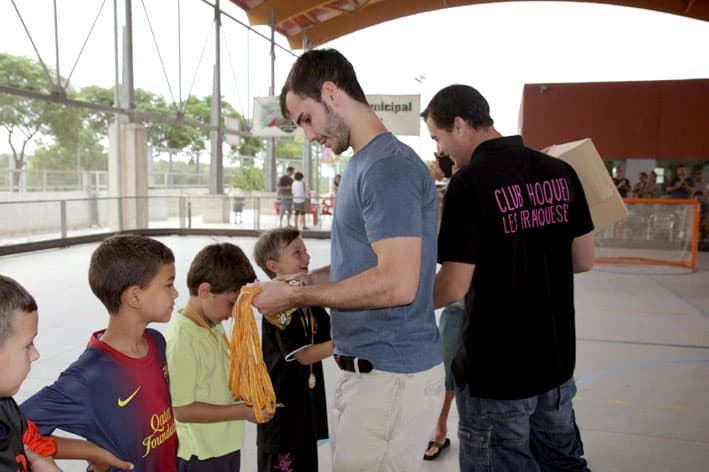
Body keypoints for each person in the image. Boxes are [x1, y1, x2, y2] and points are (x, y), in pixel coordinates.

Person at [250, 48, 444, 472]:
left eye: (305, 119)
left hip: (391, 379)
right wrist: (294, 285)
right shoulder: (363, 165)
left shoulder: (386, 168)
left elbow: (397, 283)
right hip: (370, 377)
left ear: (331, 93)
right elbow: (357, 269)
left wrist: (297, 299)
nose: (307, 135)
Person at [421, 84, 594, 471]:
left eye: (439, 137)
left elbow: (452, 286)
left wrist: (397, 302)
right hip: (554, 367)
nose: (441, 151)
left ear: (460, 125)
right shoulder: (560, 171)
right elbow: (583, 260)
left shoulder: (470, 182)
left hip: (497, 374)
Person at [21, 234, 180, 471]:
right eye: (169, 285)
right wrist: (94, 453)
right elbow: (15, 428)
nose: (176, 294)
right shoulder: (89, 376)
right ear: (135, 296)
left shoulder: (156, 342)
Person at [0, 275, 135, 472]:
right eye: (27, 344)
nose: (35, 354)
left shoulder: (7, 409)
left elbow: (37, 445)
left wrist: (93, 452)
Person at [165, 242, 272, 471]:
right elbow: (182, 410)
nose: (234, 313)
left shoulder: (213, 325)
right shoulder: (183, 339)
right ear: (205, 291)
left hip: (225, 446)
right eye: (232, 304)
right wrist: (243, 411)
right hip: (201, 455)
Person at [253, 228, 333, 472]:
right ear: (273, 265)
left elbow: (329, 330)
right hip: (281, 417)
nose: (307, 258)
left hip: (305, 412)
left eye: (306, 251)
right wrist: (348, 341)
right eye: (297, 253)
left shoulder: (305, 299)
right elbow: (304, 355)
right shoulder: (277, 305)